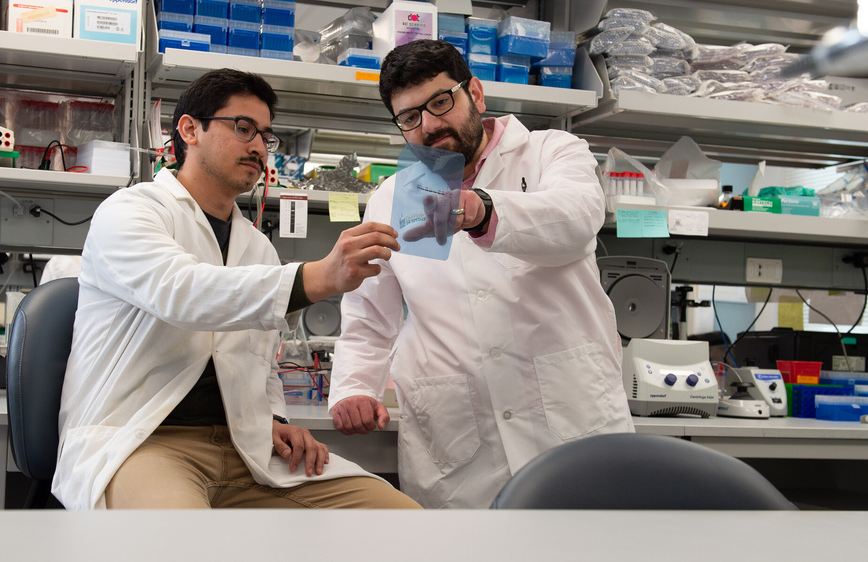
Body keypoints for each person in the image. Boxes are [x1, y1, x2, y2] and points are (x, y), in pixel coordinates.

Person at [53, 68, 418, 510]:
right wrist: (317, 277)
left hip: (247, 448)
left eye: (266, 135)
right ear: (190, 130)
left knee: (399, 519)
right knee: (181, 538)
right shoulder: (131, 211)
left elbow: (261, 361)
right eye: (244, 128)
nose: (259, 146)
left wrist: (275, 417)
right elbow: (182, 293)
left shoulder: (257, 246)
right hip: (142, 442)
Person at [328, 40, 635, 509]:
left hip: (570, 420)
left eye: (440, 102)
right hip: (457, 443)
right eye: (409, 117)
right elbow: (369, 316)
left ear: (475, 93)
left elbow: (577, 218)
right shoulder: (392, 197)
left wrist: (485, 210)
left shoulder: (550, 150)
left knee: (587, 540)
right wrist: (354, 387)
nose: (428, 126)